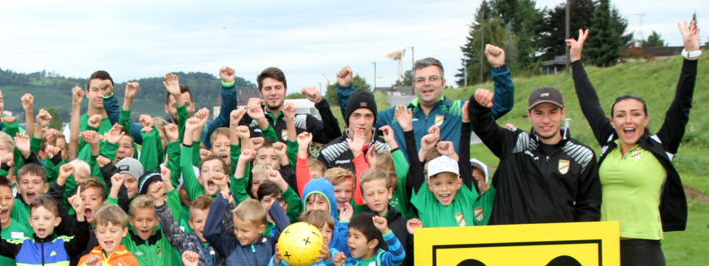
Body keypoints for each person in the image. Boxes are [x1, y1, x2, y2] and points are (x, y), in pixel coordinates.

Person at [568, 22, 699, 266]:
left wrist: (690, 55)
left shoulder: (662, 145)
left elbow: (683, 104)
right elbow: (589, 102)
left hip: (643, 245)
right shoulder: (608, 145)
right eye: (620, 115)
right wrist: (576, 61)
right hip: (603, 246)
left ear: (645, 119)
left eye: (635, 115)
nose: (627, 120)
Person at [336, 46, 514, 151]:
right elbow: (357, 119)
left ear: (443, 83)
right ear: (414, 85)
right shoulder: (398, 114)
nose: (426, 83)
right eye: (421, 80)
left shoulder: (460, 110)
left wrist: (499, 68)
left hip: (449, 196)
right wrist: (345, 89)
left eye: (433, 79)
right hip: (409, 199)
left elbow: (502, 105)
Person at [469, 84, 600, 225]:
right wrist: (478, 104)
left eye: (552, 112)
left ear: (563, 113)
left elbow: (589, 207)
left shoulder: (583, 155)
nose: (546, 120)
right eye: (539, 113)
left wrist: (576, 242)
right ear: (530, 115)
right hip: (513, 243)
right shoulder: (515, 143)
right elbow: (484, 127)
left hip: (557, 244)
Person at [237, 67, 341, 145]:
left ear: (285, 90)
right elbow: (234, 145)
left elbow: (334, 138)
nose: (273, 93)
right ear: (260, 92)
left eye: (278, 88)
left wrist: (321, 103)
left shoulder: (302, 121)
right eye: (268, 88)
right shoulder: (250, 120)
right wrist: (247, 114)